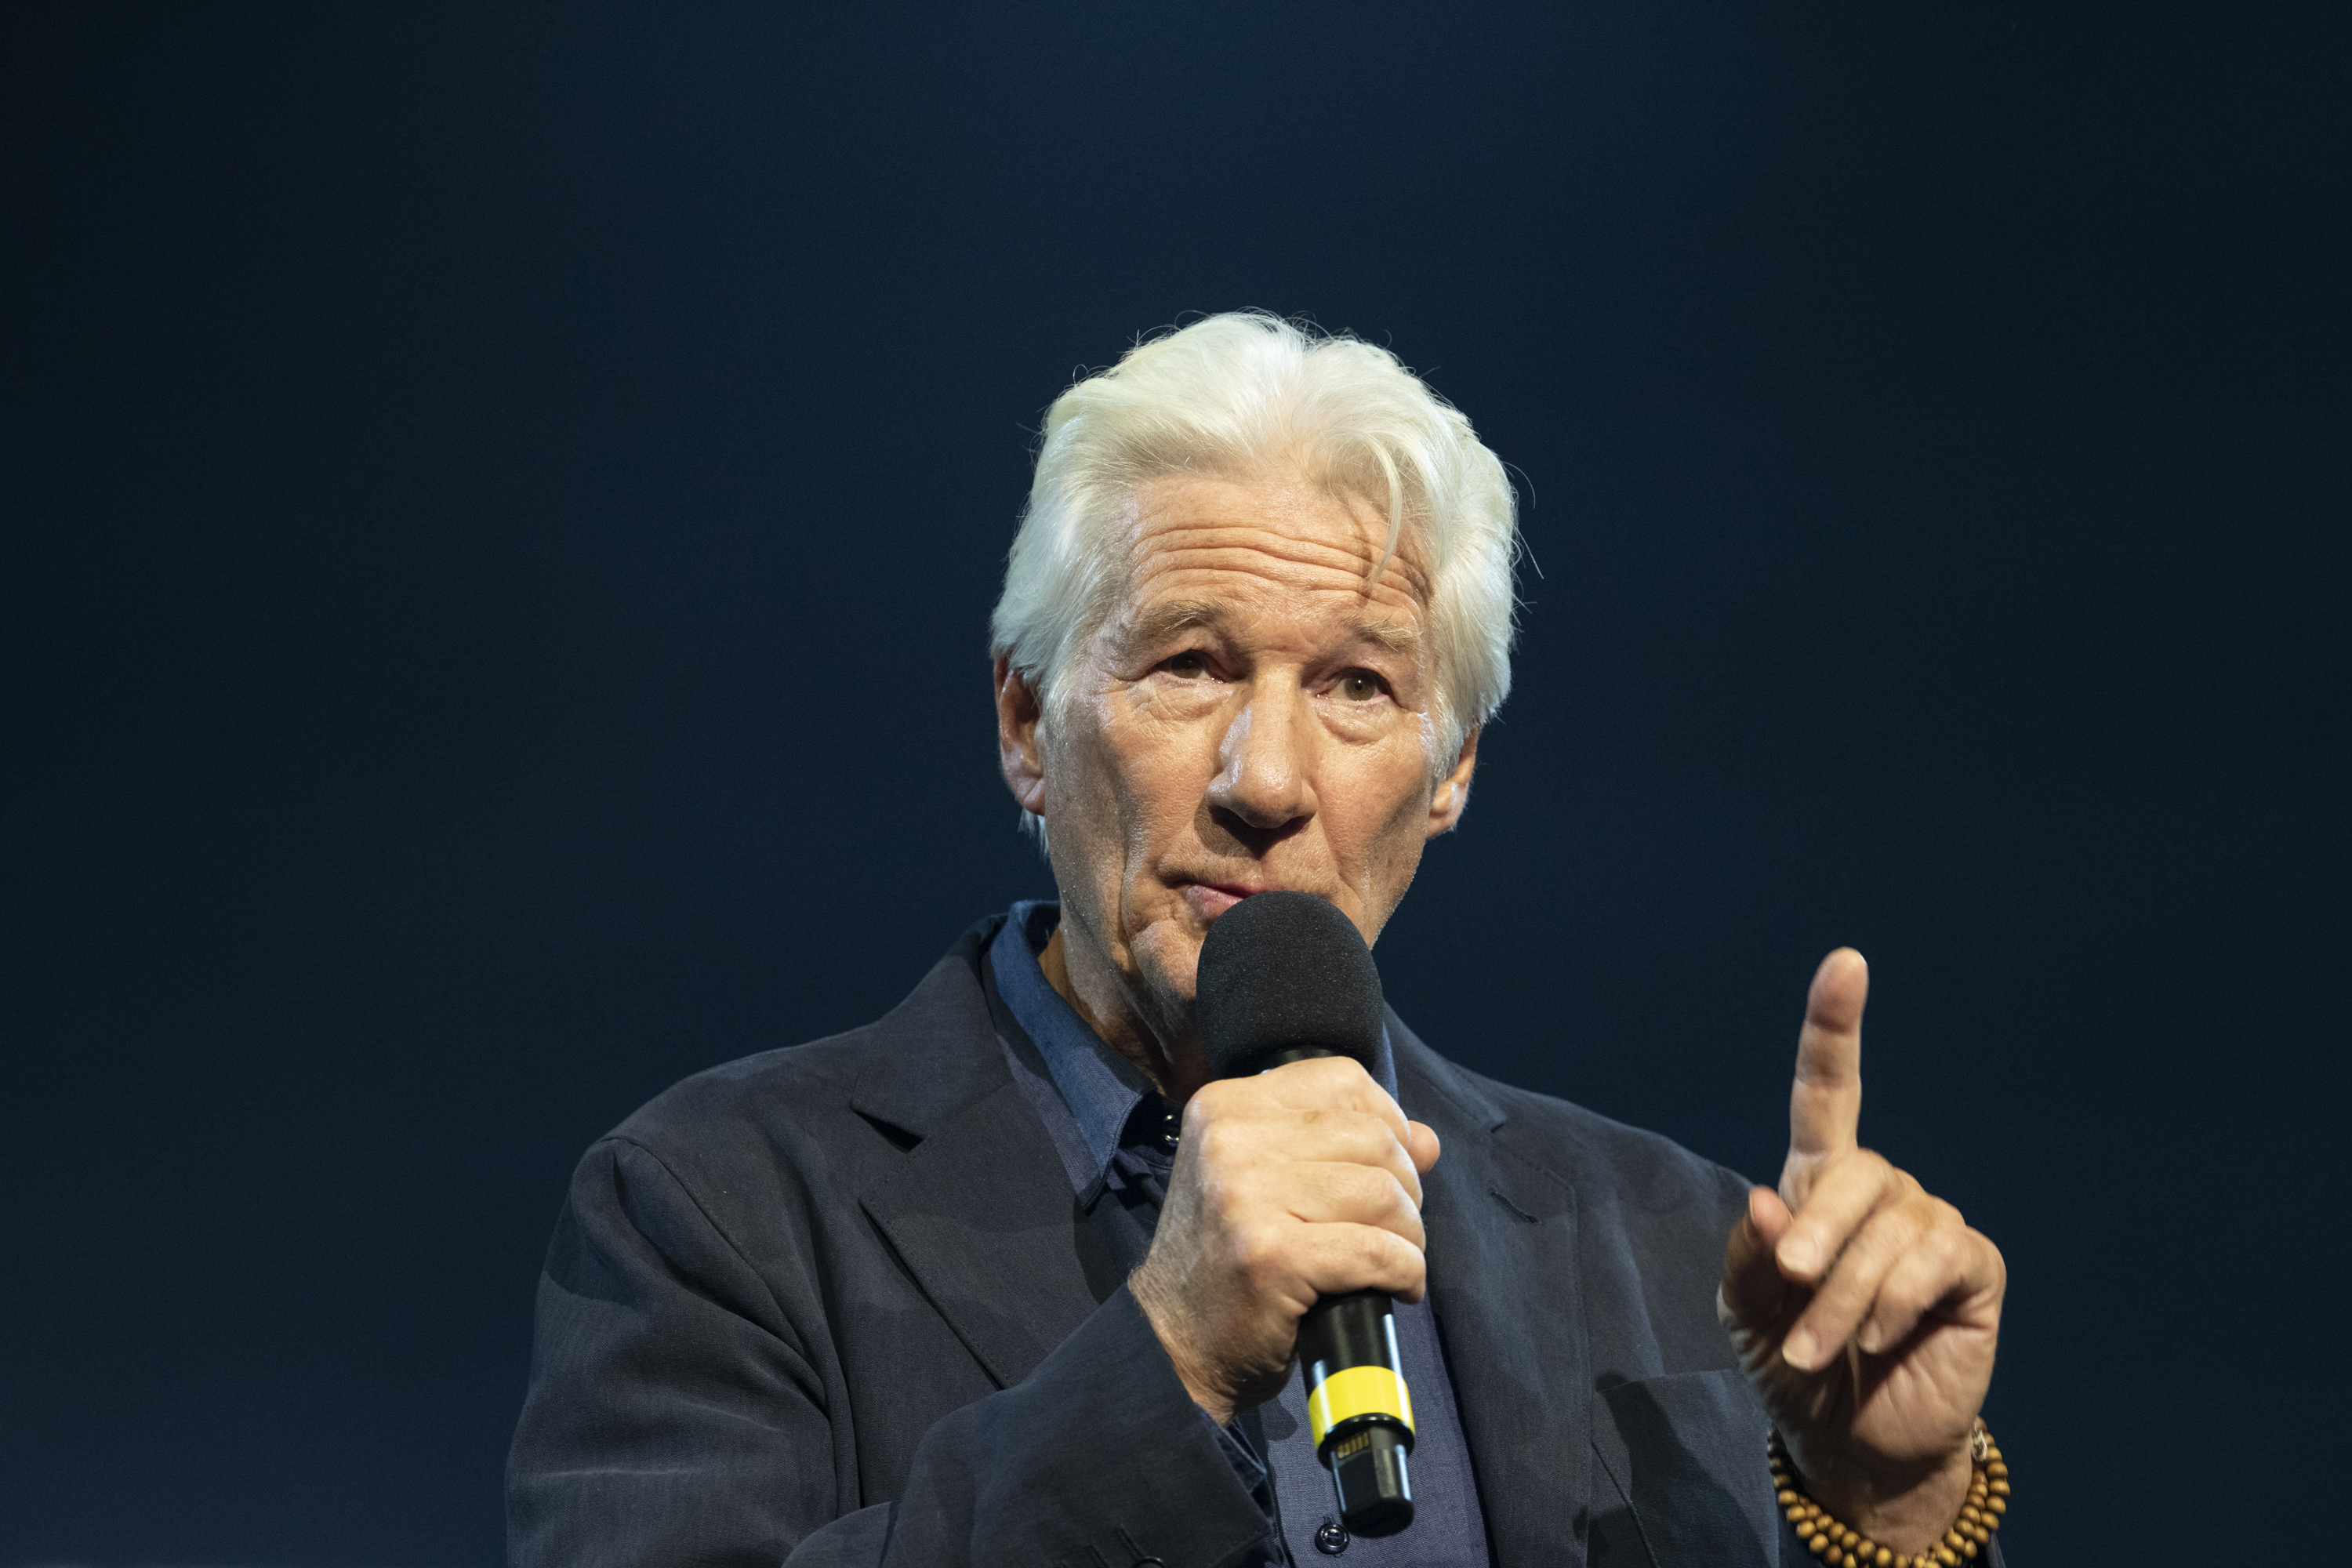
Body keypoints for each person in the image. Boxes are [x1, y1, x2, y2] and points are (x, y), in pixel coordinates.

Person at [506, 312, 2009, 1568]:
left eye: (1358, 685)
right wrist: (1164, 1359)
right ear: (1027, 722)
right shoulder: (716, 1213)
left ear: (1454, 768)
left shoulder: (1682, 1254)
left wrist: (1892, 1504)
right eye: (1189, 664)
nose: (1268, 783)